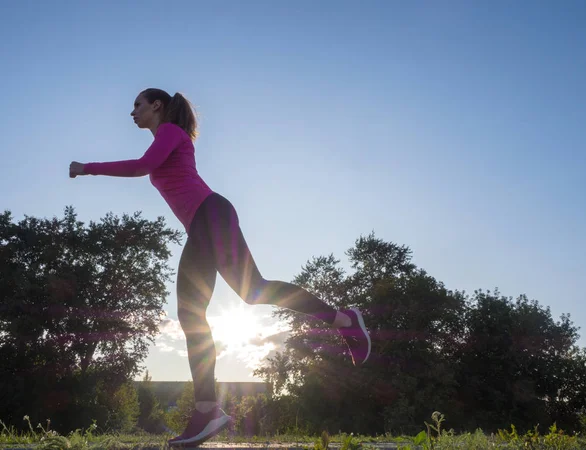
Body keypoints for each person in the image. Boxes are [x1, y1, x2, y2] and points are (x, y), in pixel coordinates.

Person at [69, 88, 371, 447]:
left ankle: (207, 409)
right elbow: (150, 165)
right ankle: (342, 320)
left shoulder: (169, 131)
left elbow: (142, 167)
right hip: (209, 218)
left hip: (209, 216)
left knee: (192, 310)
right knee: (251, 292)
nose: (131, 112)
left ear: (157, 106)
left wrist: (88, 168)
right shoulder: (166, 137)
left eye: (137, 105)